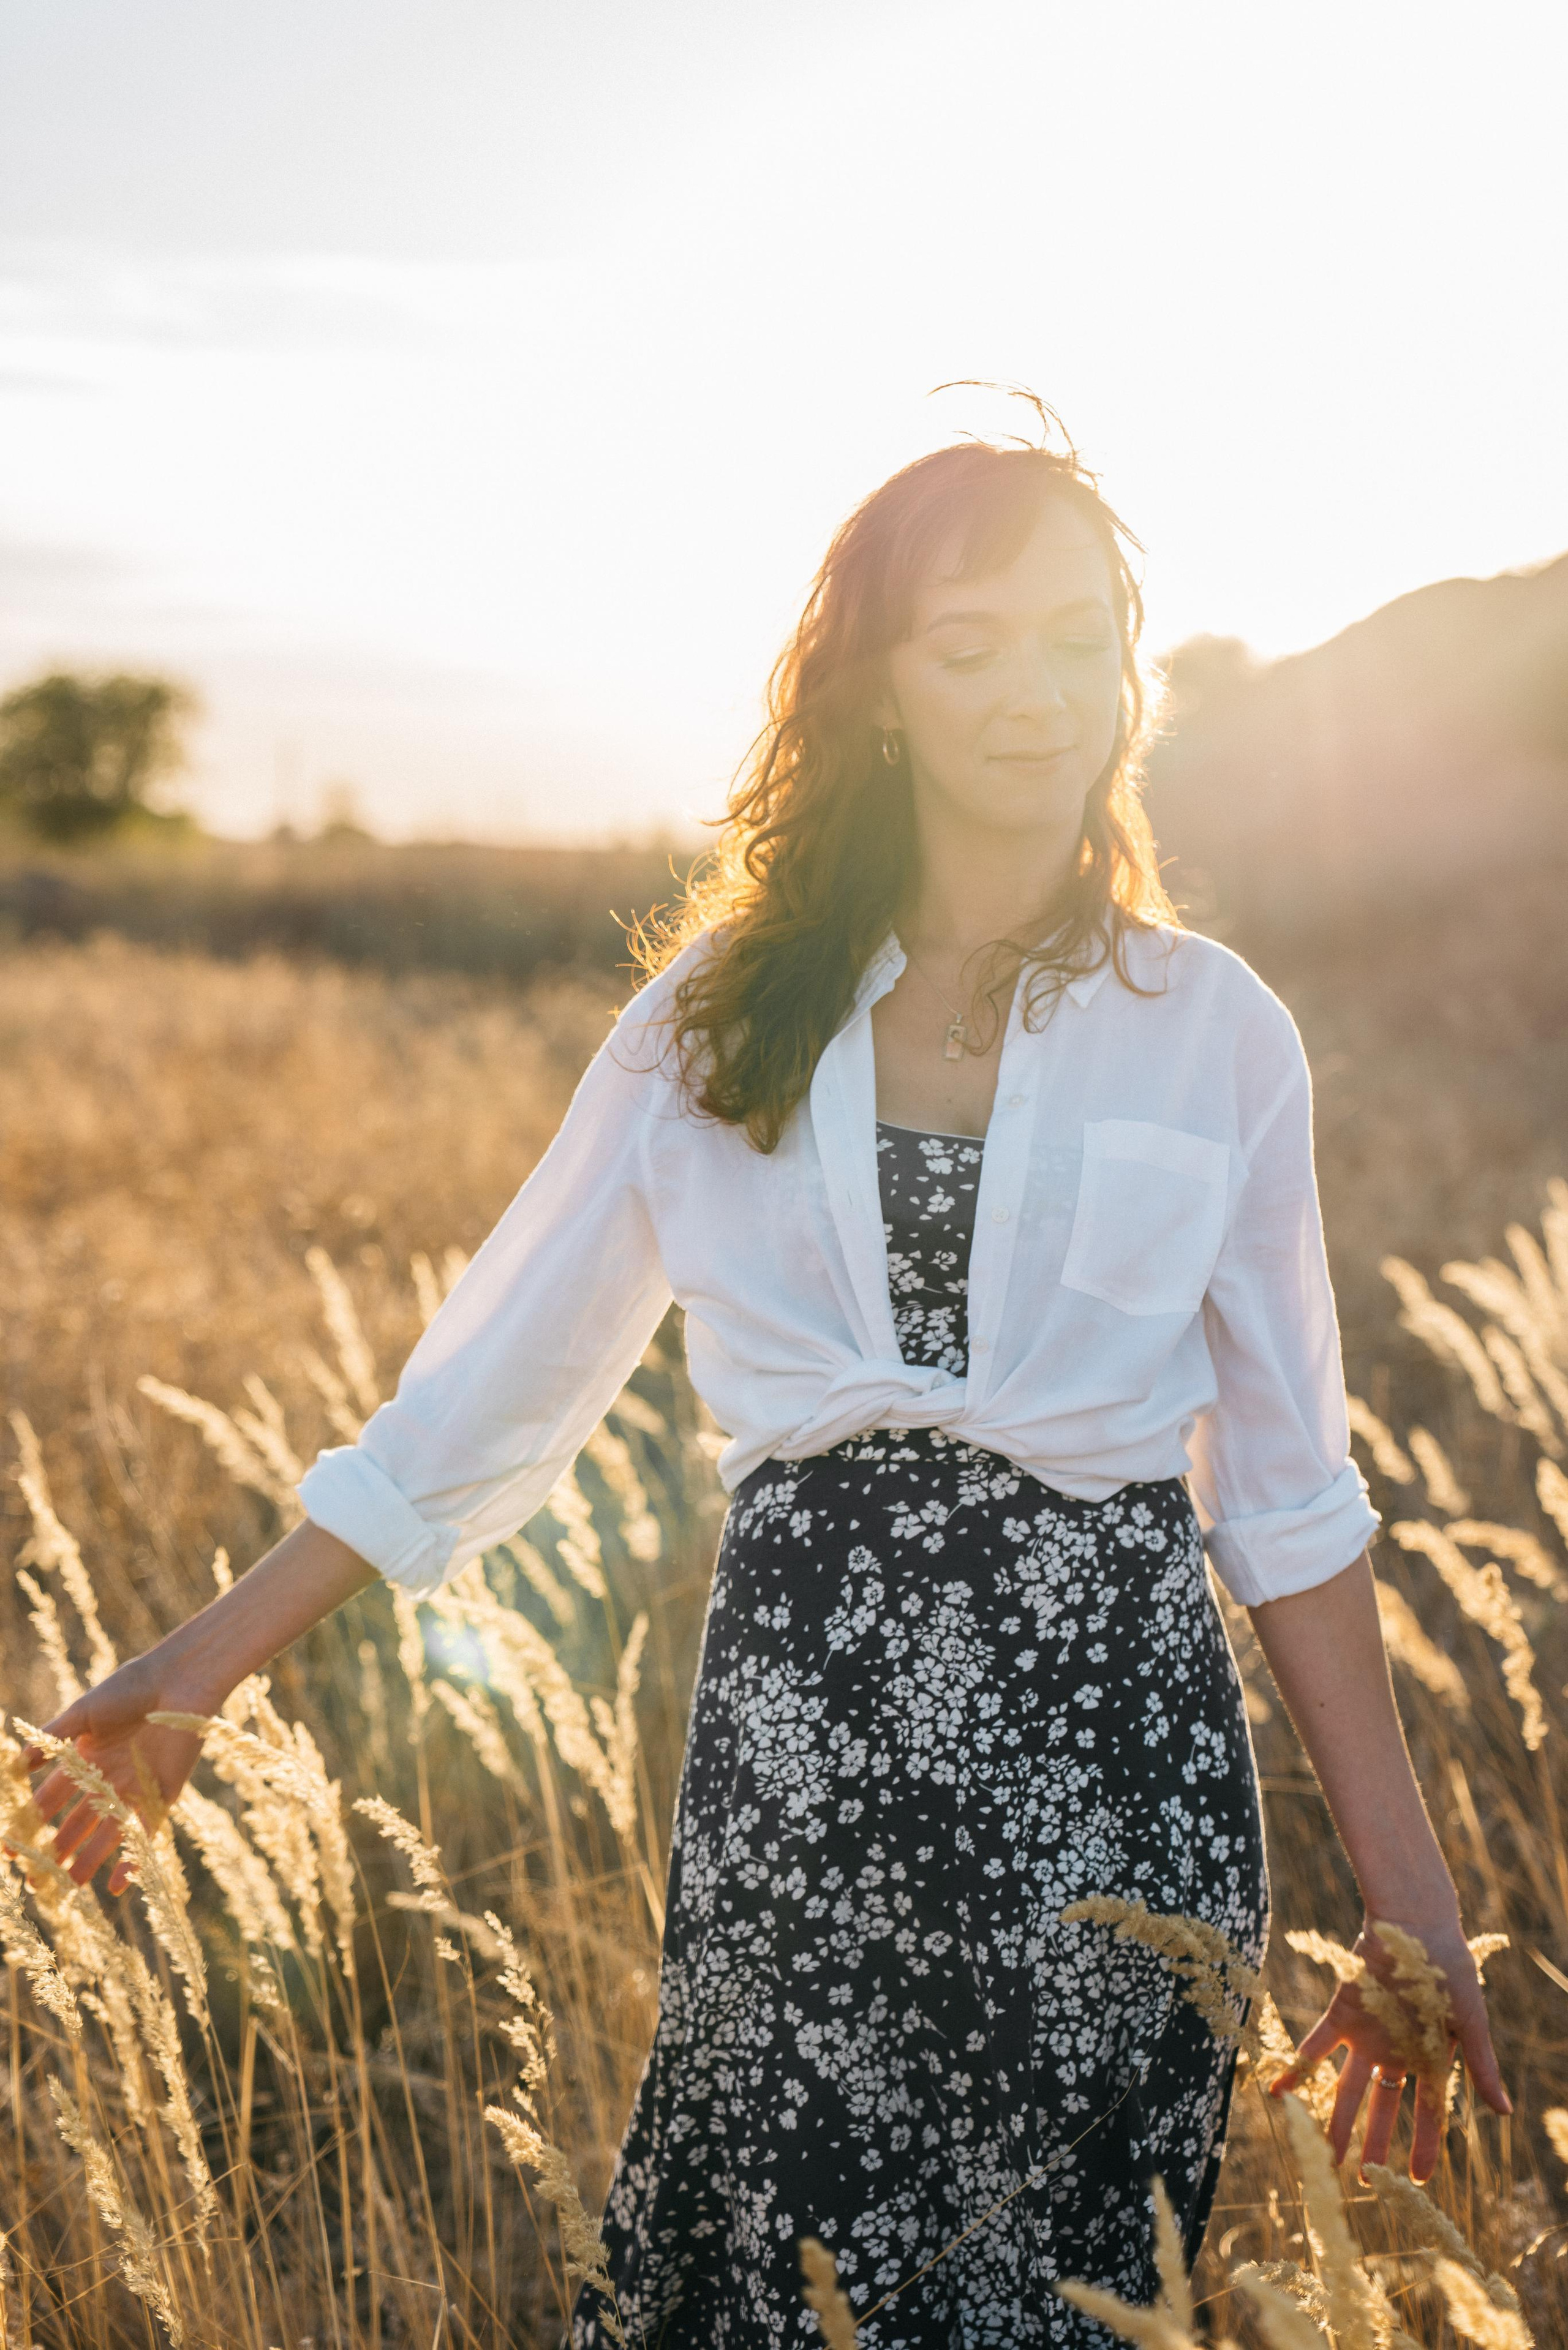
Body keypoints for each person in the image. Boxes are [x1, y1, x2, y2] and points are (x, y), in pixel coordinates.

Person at [26, 407, 1509, 2346]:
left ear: (1129, 671)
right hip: (809, 1759)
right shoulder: (720, 1018)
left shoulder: (1217, 1035)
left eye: (1076, 639)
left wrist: (1410, 1896)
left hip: (1123, 1779)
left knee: (1065, 2307)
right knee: (759, 2282)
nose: (1031, 693)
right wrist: (205, 1657)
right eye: (967, 645)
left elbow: (1291, 1494)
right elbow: (491, 1394)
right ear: (880, 687)